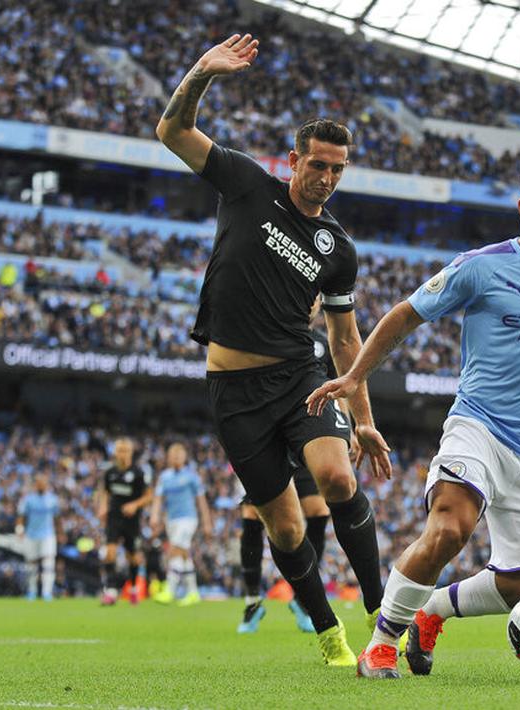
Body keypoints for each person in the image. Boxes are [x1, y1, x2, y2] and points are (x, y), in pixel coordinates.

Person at [307, 157, 520, 679]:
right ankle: (381, 644)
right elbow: (404, 314)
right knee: (450, 527)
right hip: (479, 427)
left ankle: (433, 612)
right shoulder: (481, 266)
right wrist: (355, 376)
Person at [156, 32, 392, 666]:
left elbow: (345, 337)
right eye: (317, 164)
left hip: (300, 377)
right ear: (294, 160)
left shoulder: (338, 250)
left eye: (338, 169)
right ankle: (327, 632)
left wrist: (364, 420)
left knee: (338, 477)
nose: (326, 178)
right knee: (285, 528)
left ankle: (385, 616)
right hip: (232, 391)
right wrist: (202, 71)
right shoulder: (246, 185)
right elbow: (172, 132)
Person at [238, 319, 340, 634]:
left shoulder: (324, 344)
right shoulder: (271, 333)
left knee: (319, 511)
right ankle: (253, 600)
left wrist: (343, 435)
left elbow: (338, 390)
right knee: (253, 514)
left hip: (308, 439)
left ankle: (302, 598)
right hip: (271, 438)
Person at [150, 442, 212, 606]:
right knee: (184, 555)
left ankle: (170, 589)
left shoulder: (192, 476)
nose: (177, 458)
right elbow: (158, 498)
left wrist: (207, 523)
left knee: (175, 550)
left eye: (180, 455)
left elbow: (201, 501)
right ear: (169, 458)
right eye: (173, 455)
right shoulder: (164, 477)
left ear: (184, 457)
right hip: (171, 520)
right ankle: (193, 593)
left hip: (188, 519)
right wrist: (154, 516)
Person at [96, 437, 153, 606]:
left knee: (133, 557)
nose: (122, 454)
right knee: (110, 552)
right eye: (119, 450)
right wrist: (102, 507)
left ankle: (134, 589)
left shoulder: (138, 473)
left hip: (131, 521)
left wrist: (134, 505)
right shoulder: (110, 472)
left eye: (125, 451)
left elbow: (149, 496)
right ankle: (111, 591)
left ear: (130, 453)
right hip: (114, 517)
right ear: (115, 452)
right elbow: (105, 491)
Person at [17, 473, 60, 601]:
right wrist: (19, 530)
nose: (41, 485)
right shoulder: (28, 500)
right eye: (39, 482)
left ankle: (47, 592)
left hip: (48, 534)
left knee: (49, 562)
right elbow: (21, 516)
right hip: (31, 534)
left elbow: (57, 518)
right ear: (35, 485)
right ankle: (32, 591)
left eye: (43, 482)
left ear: (46, 484)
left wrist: (60, 533)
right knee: (31, 564)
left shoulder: (53, 499)